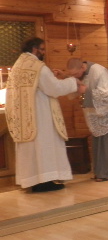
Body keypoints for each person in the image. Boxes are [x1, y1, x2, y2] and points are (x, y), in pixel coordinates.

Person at [5, 38, 85, 192]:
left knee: (31, 149)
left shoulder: (18, 65)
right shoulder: (38, 67)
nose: (44, 52)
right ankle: (45, 180)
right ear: (35, 49)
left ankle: (33, 181)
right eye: (42, 49)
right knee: (44, 146)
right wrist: (72, 82)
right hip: (40, 116)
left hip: (25, 117)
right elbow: (53, 88)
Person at [66, 57, 108, 181]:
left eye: (76, 74)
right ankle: (102, 172)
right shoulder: (81, 74)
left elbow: (107, 94)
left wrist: (86, 90)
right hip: (96, 113)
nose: (75, 77)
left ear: (82, 67)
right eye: (72, 75)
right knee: (100, 143)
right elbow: (74, 91)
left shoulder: (98, 71)